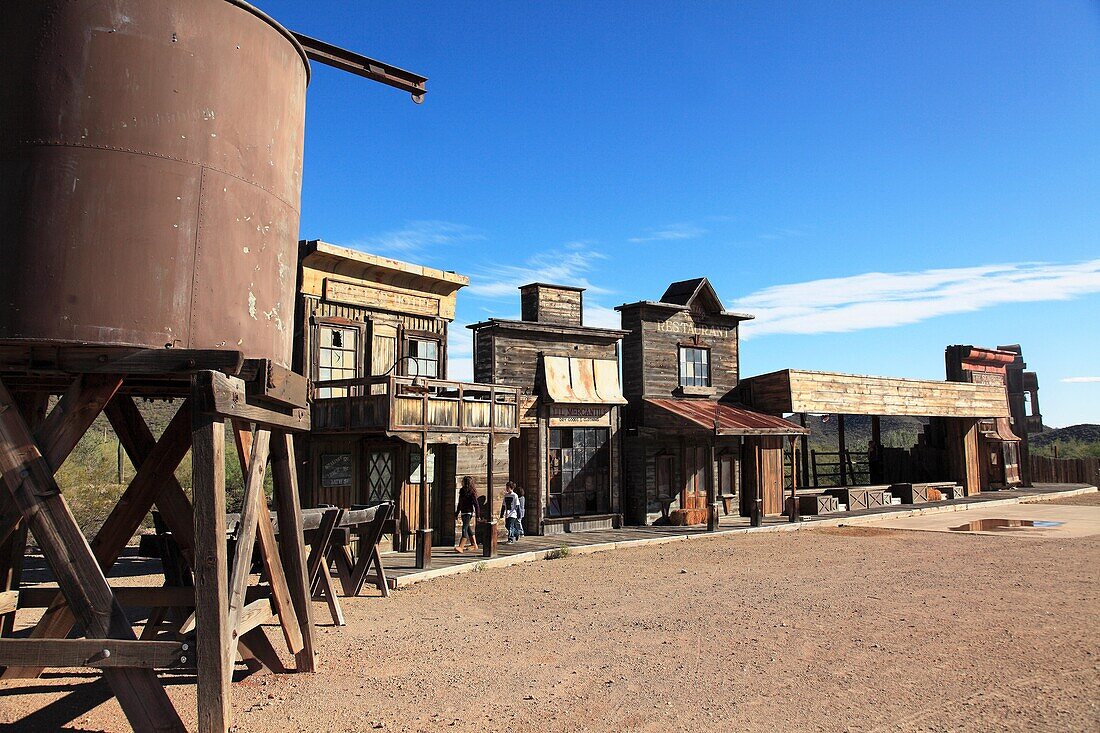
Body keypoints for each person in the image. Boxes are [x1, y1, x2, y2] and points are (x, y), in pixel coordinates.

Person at [454, 476, 480, 553]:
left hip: (469, 512)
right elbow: (460, 503)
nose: (463, 482)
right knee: (468, 528)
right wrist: (457, 513)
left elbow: (476, 504)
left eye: (464, 481)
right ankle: (474, 544)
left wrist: (478, 515)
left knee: (464, 528)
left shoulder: (472, 492)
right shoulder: (462, 491)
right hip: (463, 512)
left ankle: (461, 547)